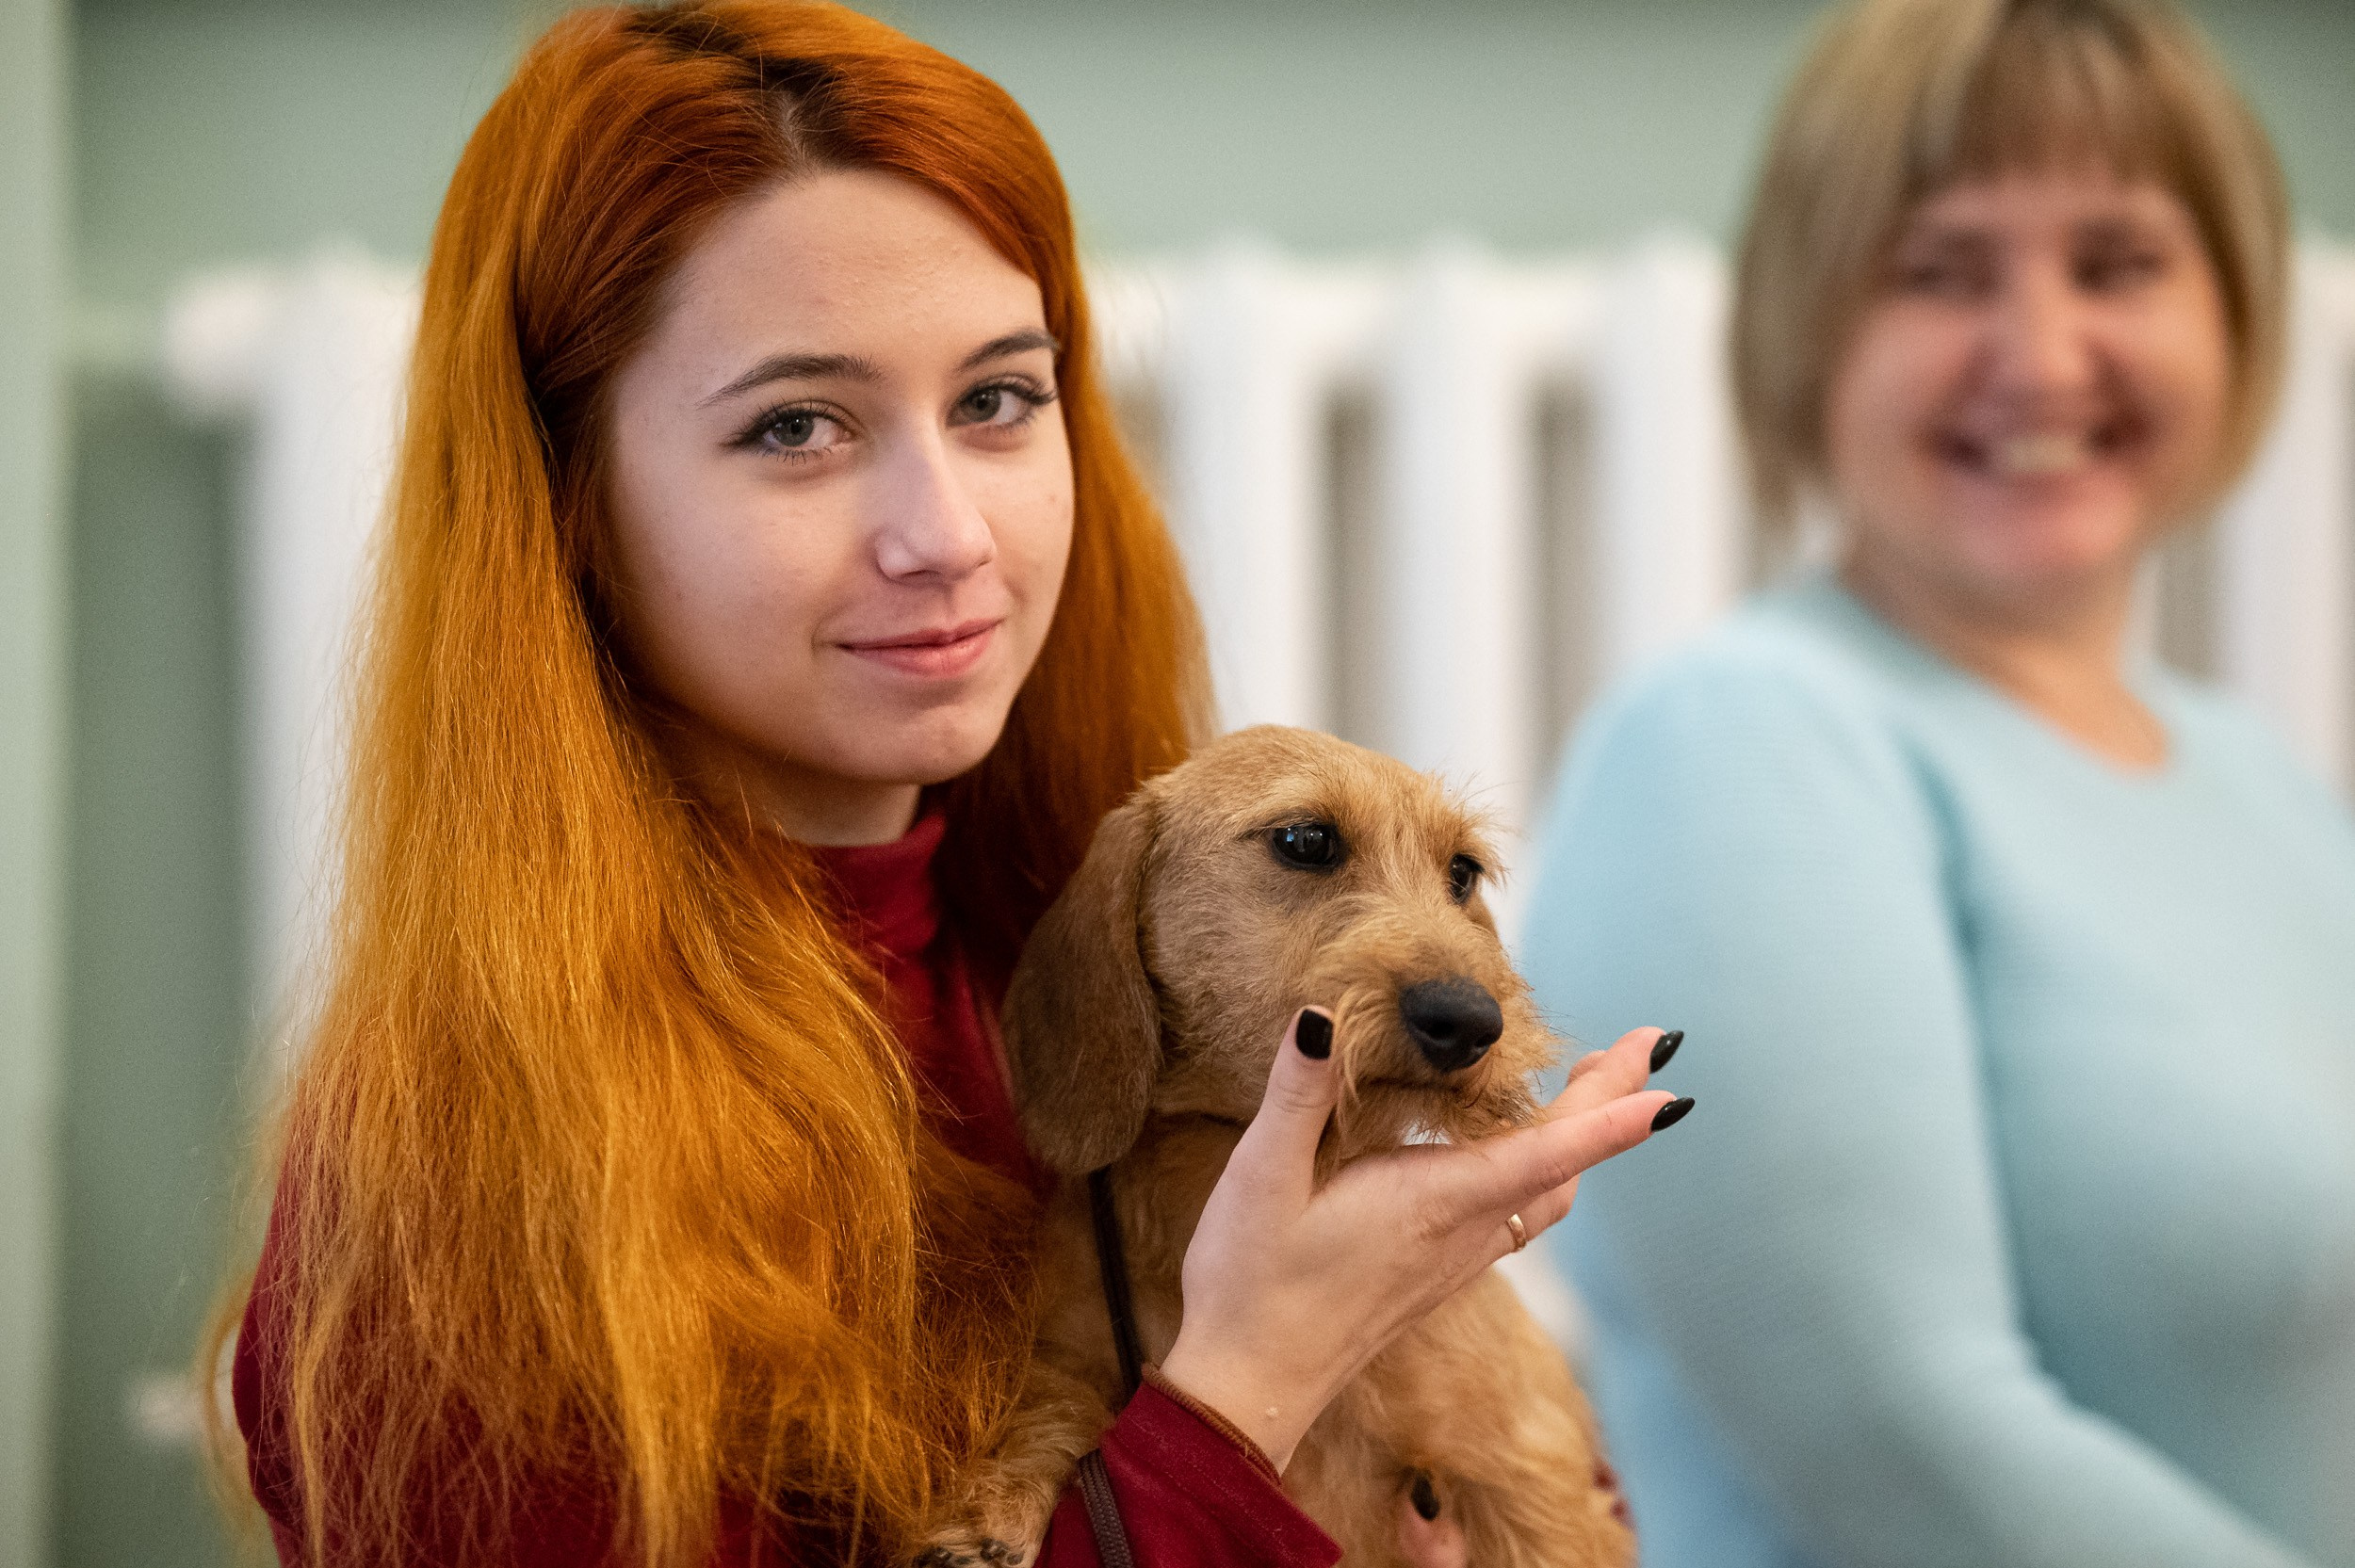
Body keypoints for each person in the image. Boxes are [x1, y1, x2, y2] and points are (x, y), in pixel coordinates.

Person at [204, 5, 1686, 1565]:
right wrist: (1250, 1388)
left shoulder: (1127, 960)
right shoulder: (463, 1189)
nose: (950, 534)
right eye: (797, 425)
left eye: (996, 398)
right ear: (564, 505)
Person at [1521, 0, 2355, 1564]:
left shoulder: (2262, 779)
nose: (2041, 356)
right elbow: (1913, 1446)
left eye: (2118, 265)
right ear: (1807, 332)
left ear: (2235, 311)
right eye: (1940, 273)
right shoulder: (1739, 744)